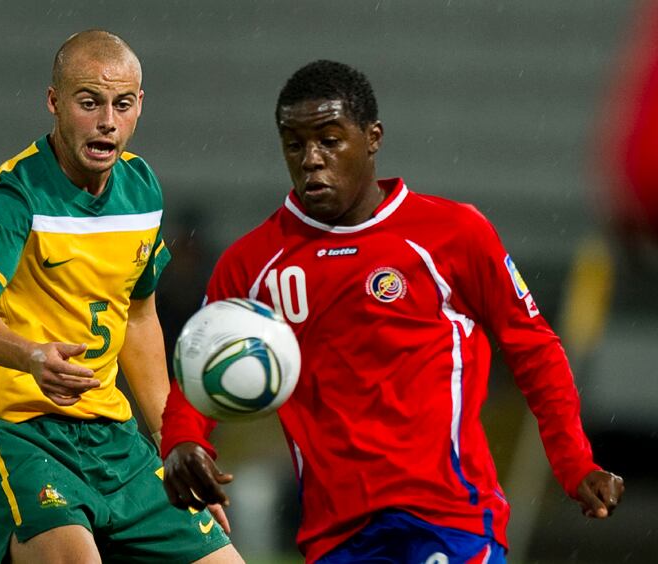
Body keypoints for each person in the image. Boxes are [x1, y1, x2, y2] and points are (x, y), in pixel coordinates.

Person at [159, 60, 625, 563]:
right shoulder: (252, 263)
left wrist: (575, 463)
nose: (312, 159)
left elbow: (533, 347)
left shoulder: (454, 233)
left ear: (372, 138)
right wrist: (183, 442)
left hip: (450, 518)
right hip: (336, 534)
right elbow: (197, 372)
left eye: (329, 141)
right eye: (294, 145)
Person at [0, 29, 242, 564]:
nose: (107, 122)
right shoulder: (14, 195)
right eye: (89, 102)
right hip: (18, 429)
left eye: (122, 104)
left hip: (112, 437)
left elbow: (138, 319)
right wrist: (31, 355)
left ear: (140, 105)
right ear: (54, 102)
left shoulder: (141, 190)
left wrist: (175, 441)